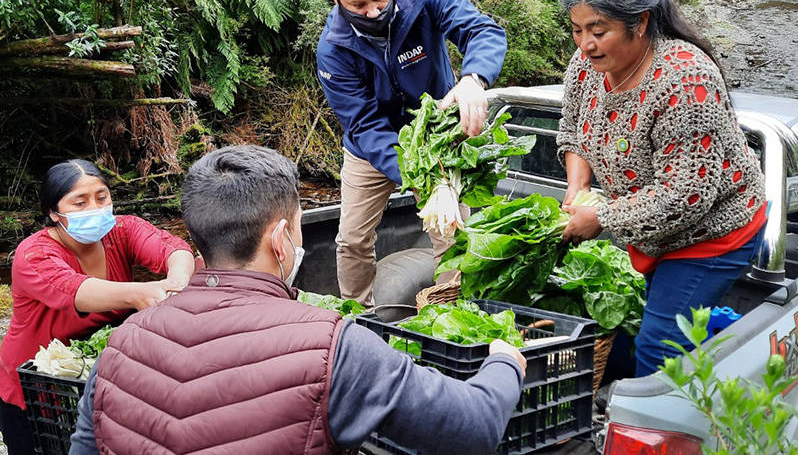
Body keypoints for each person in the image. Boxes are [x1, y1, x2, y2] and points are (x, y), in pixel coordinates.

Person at [69, 145, 526, 455]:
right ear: (282, 239)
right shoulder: (333, 345)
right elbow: (475, 428)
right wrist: (506, 362)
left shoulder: (119, 347)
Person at [556, 0, 767, 377]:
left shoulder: (684, 80)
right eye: (578, 30)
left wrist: (600, 215)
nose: (585, 44)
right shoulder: (586, 67)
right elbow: (573, 132)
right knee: (631, 321)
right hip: (647, 224)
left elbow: (686, 194)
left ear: (641, 22)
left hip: (713, 232)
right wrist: (576, 189)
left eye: (599, 31)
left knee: (659, 345)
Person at [317, 0, 507, 306]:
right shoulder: (332, 50)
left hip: (438, 136)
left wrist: (473, 78)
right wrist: (417, 174)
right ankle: (358, 317)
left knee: (452, 231)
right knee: (352, 238)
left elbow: (482, 30)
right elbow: (364, 124)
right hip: (371, 148)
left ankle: (453, 309)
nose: (373, 10)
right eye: (359, 5)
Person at [0, 159, 194, 455]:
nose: (95, 208)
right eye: (80, 202)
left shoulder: (124, 230)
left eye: (102, 198)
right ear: (53, 213)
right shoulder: (34, 255)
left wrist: (178, 282)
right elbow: (78, 291)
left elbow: (174, 249)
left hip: (98, 381)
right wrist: (143, 293)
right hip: (36, 389)